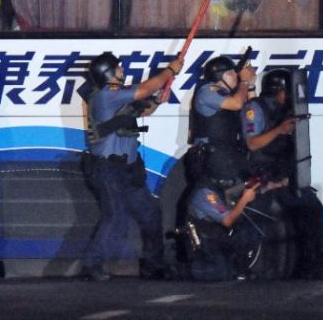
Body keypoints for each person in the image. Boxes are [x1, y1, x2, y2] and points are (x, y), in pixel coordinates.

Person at [81, 51, 184, 281]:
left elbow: (143, 110)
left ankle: (153, 265)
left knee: (150, 215)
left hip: (129, 168)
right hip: (108, 169)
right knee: (116, 217)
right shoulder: (107, 95)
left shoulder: (119, 98)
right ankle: (92, 265)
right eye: (118, 67)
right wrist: (170, 70)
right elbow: (145, 89)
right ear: (108, 73)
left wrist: (157, 100)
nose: (122, 70)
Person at [240, 68, 323, 277]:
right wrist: (279, 130)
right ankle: (251, 266)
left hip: (283, 174)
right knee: (264, 218)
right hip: (262, 175)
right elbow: (252, 144)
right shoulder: (255, 109)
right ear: (279, 90)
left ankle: (309, 266)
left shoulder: (286, 110)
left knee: (312, 208)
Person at [190, 55, 257, 186]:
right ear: (219, 76)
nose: (236, 76)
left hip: (229, 155)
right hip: (213, 160)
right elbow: (237, 104)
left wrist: (251, 85)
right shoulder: (208, 91)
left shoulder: (232, 94)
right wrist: (244, 82)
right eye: (231, 73)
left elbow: (252, 111)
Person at [185, 172, 261, 281]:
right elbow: (227, 221)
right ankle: (186, 269)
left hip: (217, 236)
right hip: (204, 240)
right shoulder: (206, 193)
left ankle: (240, 268)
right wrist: (245, 199)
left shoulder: (218, 187)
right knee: (221, 272)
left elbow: (230, 194)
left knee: (249, 232)